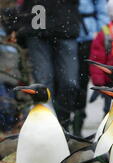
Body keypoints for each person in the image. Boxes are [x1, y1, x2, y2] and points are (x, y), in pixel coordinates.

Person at [11, 0, 81, 131]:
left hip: (66, 24)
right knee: (43, 84)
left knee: (69, 83)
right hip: (36, 27)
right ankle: (49, 128)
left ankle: (63, 124)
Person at [73, 0, 109, 137]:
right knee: (70, 82)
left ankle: (79, 123)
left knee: (84, 82)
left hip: (89, 38)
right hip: (67, 37)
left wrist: (100, 35)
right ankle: (70, 120)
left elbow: (103, 12)